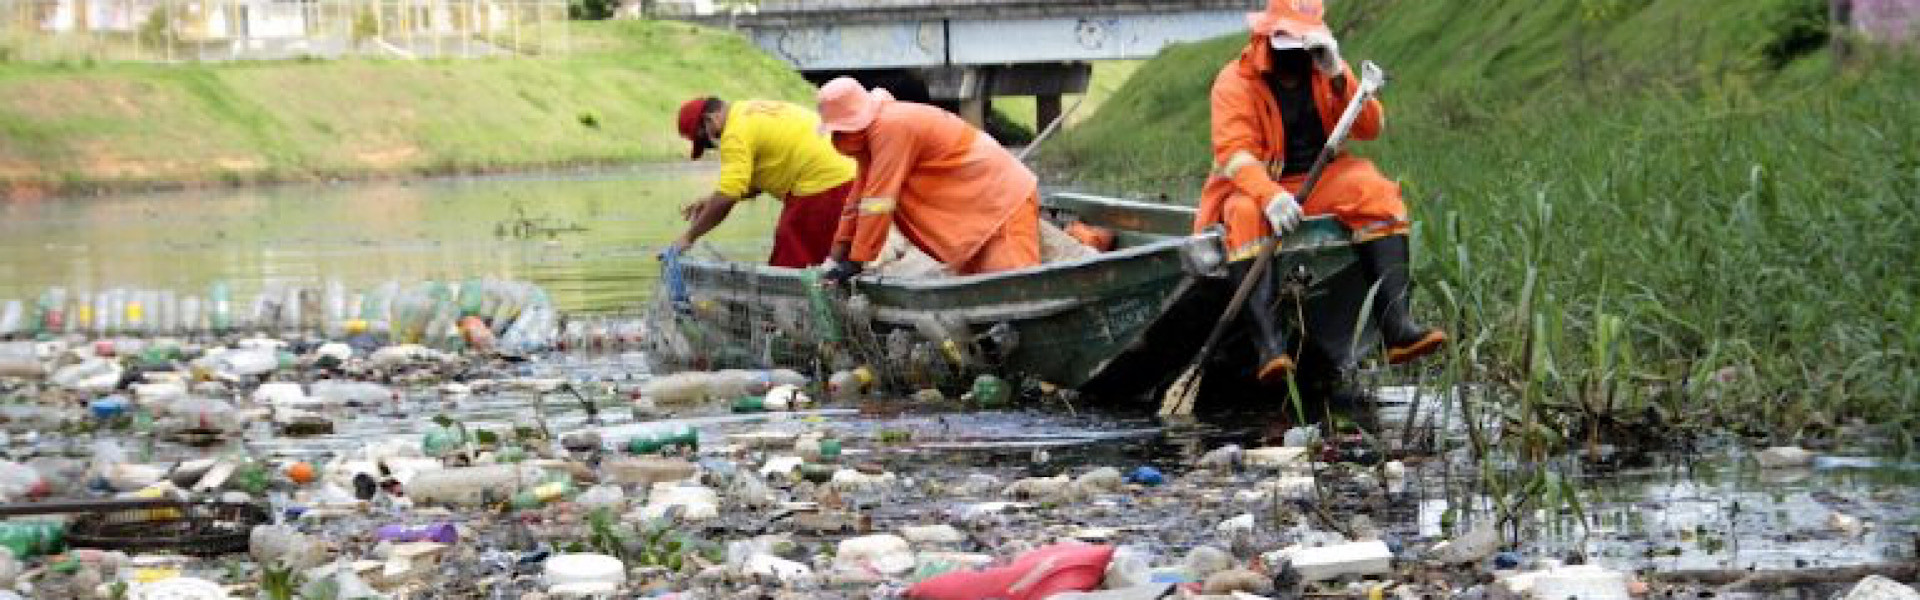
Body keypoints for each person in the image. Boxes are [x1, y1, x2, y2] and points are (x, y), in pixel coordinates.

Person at [1196, 0, 1444, 385]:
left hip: (1319, 179)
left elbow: (1370, 127)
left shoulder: (1326, 68)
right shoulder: (1235, 81)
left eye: (1303, 45)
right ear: (1265, 38)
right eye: (1287, 45)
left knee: (1374, 191)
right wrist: (1270, 196)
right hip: (1256, 186)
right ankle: (1269, 347)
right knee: (1244, 215)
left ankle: (1397, 326)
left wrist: (1338, 76)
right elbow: (1234, 153)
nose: (1297, 56)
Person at [813, 77, 1042, 283]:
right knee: (987, 292)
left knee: (1013, 290)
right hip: (976, 207)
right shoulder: (873, 137)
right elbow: (858, 201)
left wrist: (857, 260)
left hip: (1000, 201)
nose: (837, 138)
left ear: (850, 125)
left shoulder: (891, 127)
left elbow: (879, 201)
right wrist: (835, 258)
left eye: (838, 131)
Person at [667, 96, 857, 268]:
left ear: (711, 120)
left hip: (825, 184)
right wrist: (711, 200)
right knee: (834, 261)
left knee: (790, 262)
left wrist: (688, 237)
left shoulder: (733, 133)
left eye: (706, 141)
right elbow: (747, 183)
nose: (713, 145)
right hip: (849, 174)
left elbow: (728, 196)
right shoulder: (748, 110)